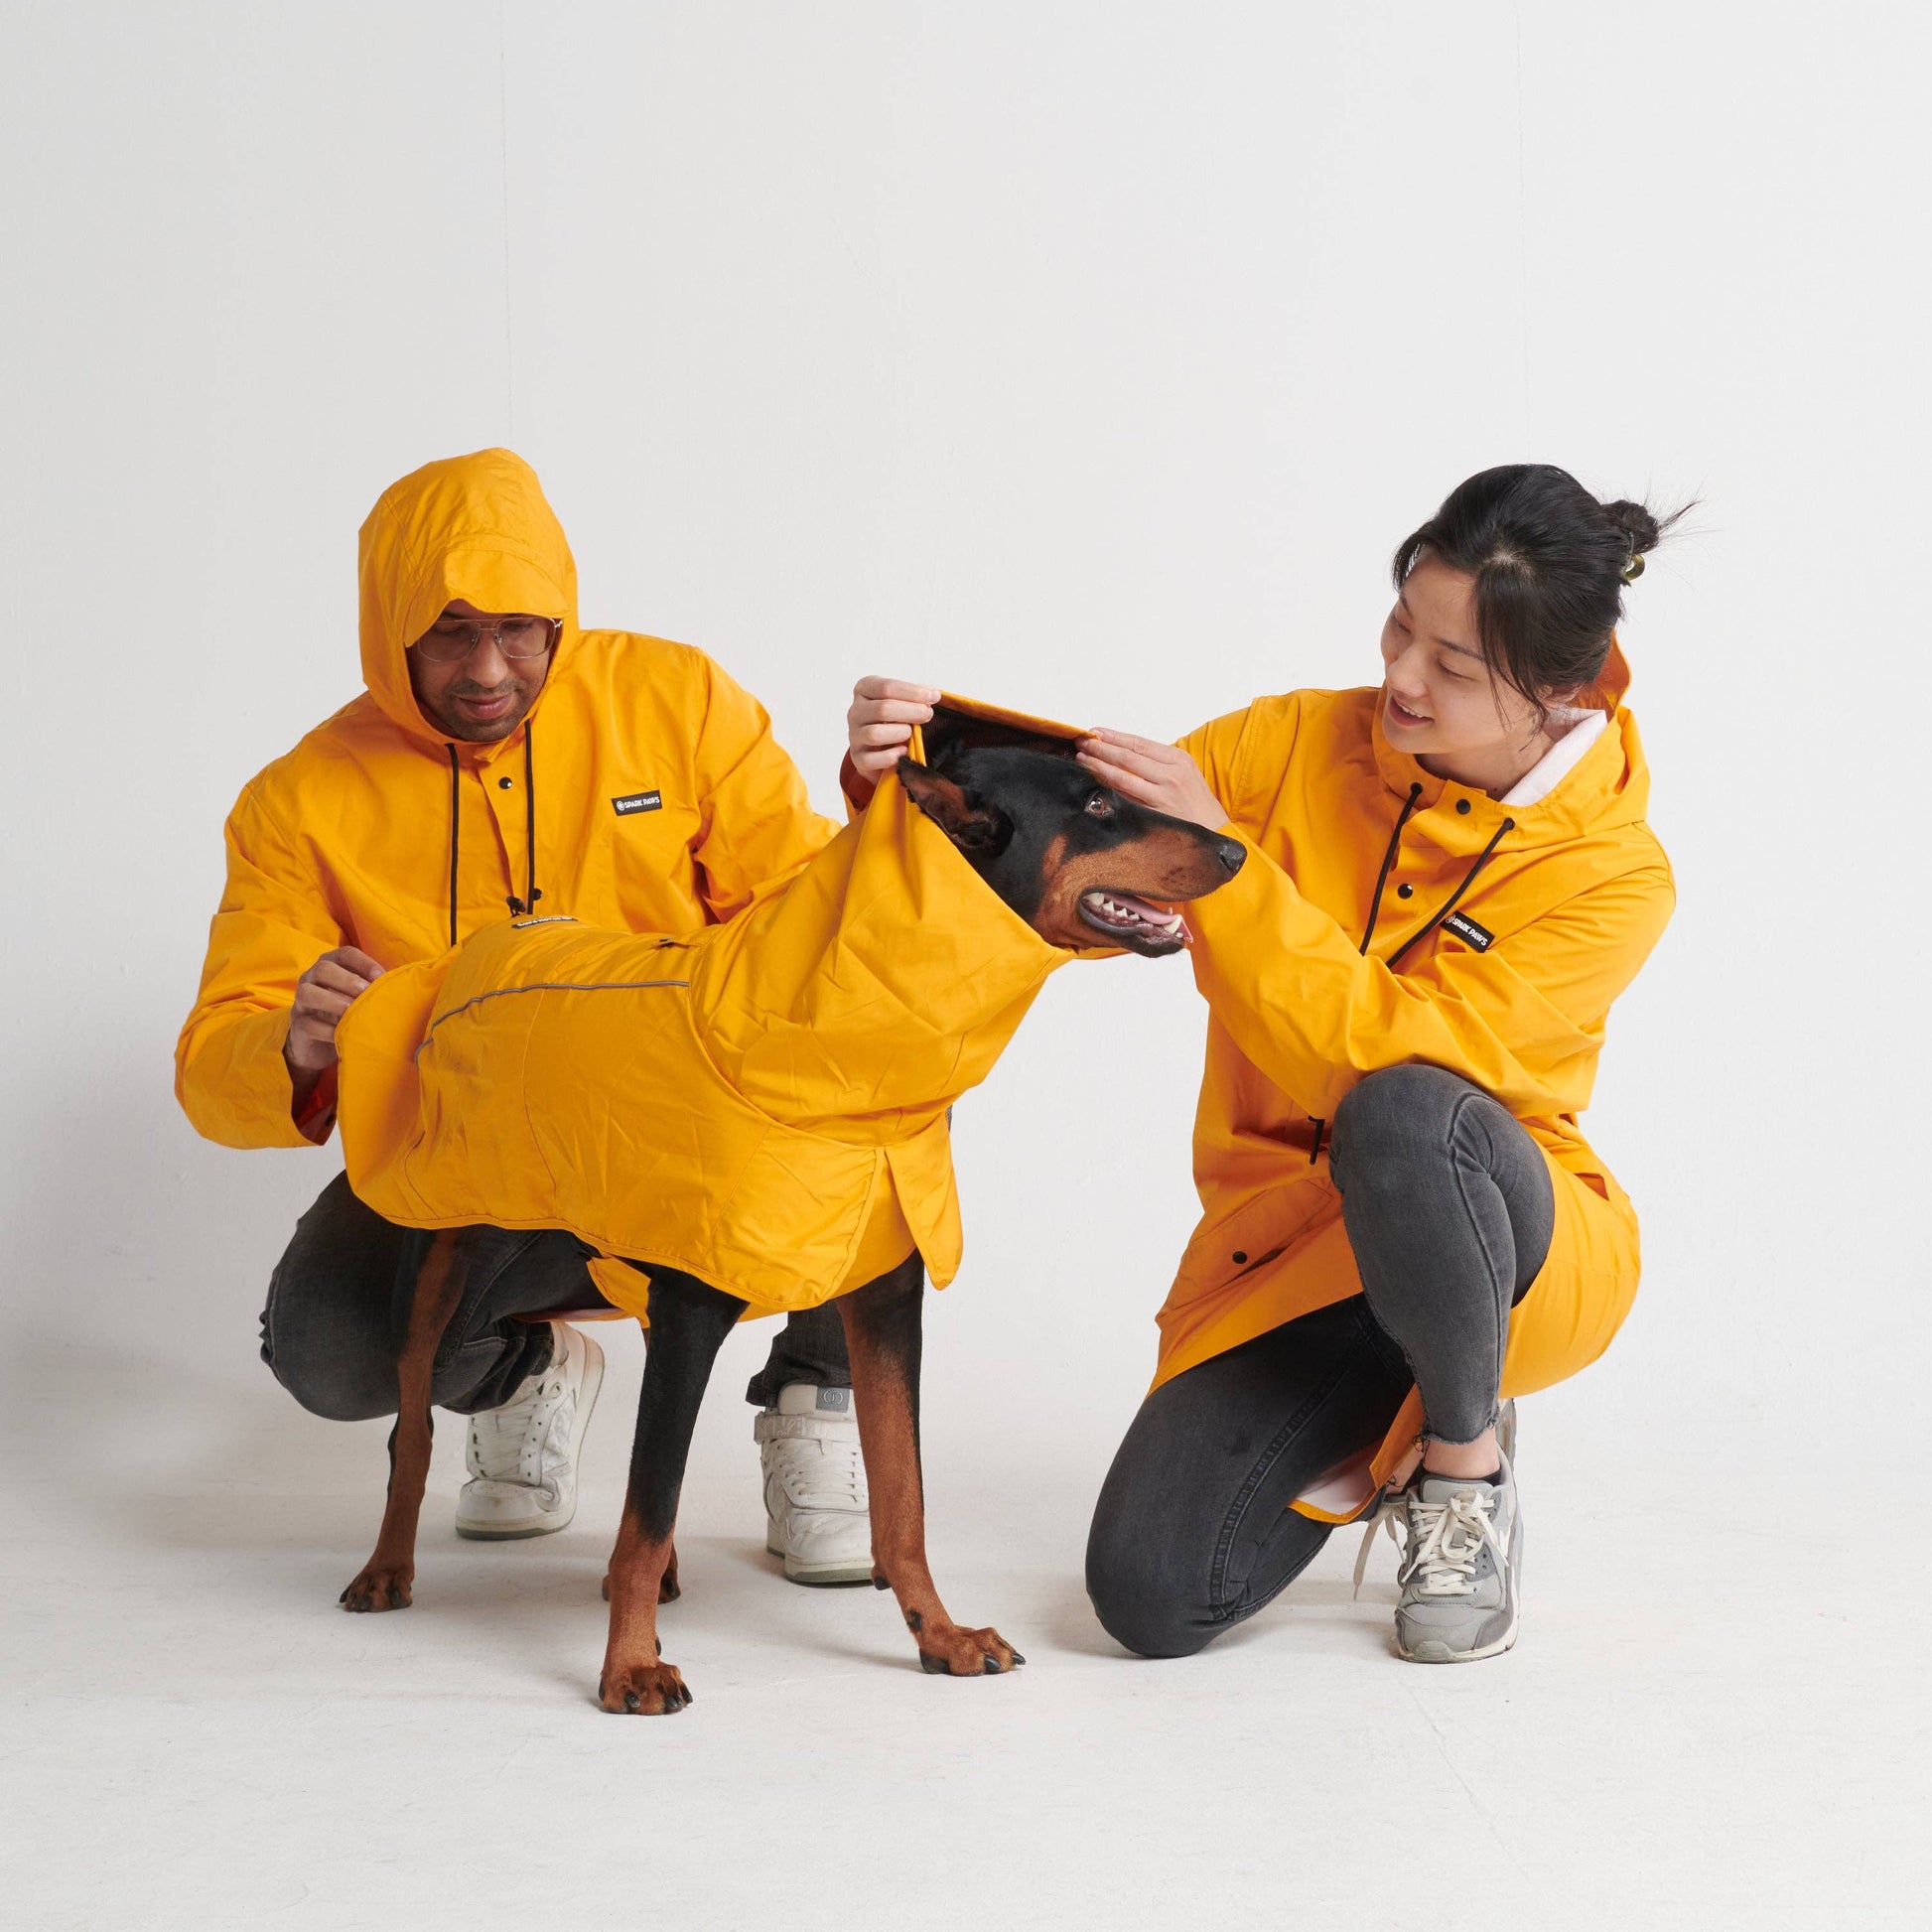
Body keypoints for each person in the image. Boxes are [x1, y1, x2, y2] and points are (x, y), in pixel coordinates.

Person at [850, 463, 1678, 1663]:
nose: (1400, 677)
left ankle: (1463, 1460)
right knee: (1149, 1595)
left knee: (1406, 1111)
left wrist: (1225, 867)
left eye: (1452, 667)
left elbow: (1394, 1058)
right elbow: (1073, 853)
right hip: (1290, 1252)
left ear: (1556, 693)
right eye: (1400, 626)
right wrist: (915, 777)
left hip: (1508, 1244)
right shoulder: (1292, 741)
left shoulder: (1612, 874)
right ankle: (1395, 1389)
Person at [177, 448, 876, 1583]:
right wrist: (290, 1042)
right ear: (389, 629)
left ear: (560, 617)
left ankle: (816, 1396)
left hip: (689, 1133)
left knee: (872, 1057)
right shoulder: (299, 797)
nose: (489, 668)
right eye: (450, 632)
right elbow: (214, 1055)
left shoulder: (676, 697)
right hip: (475, 1156)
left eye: (519, 629)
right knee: (326, 1349)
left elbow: (809, 925)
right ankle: (522, 1374)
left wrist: (880, 813)